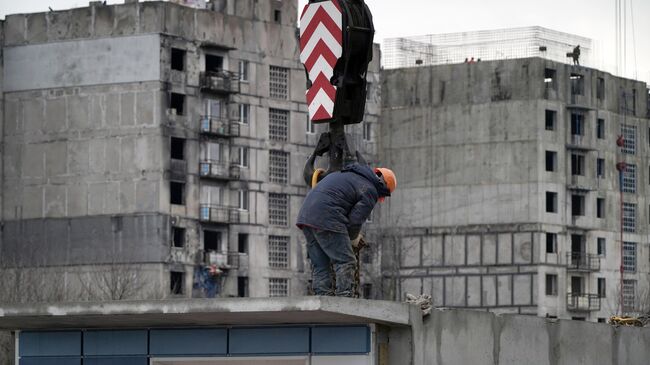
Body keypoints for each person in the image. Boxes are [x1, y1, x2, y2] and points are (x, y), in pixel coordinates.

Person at [297, 163, 396, 297]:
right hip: (327, 218)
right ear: (383, 187)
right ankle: (345, 298)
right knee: (346, 261)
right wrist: (353, 238)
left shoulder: (347, 174)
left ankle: (322, 297)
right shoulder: (370, 189)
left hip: (306, 217)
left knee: (320, 263)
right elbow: (355, 221)